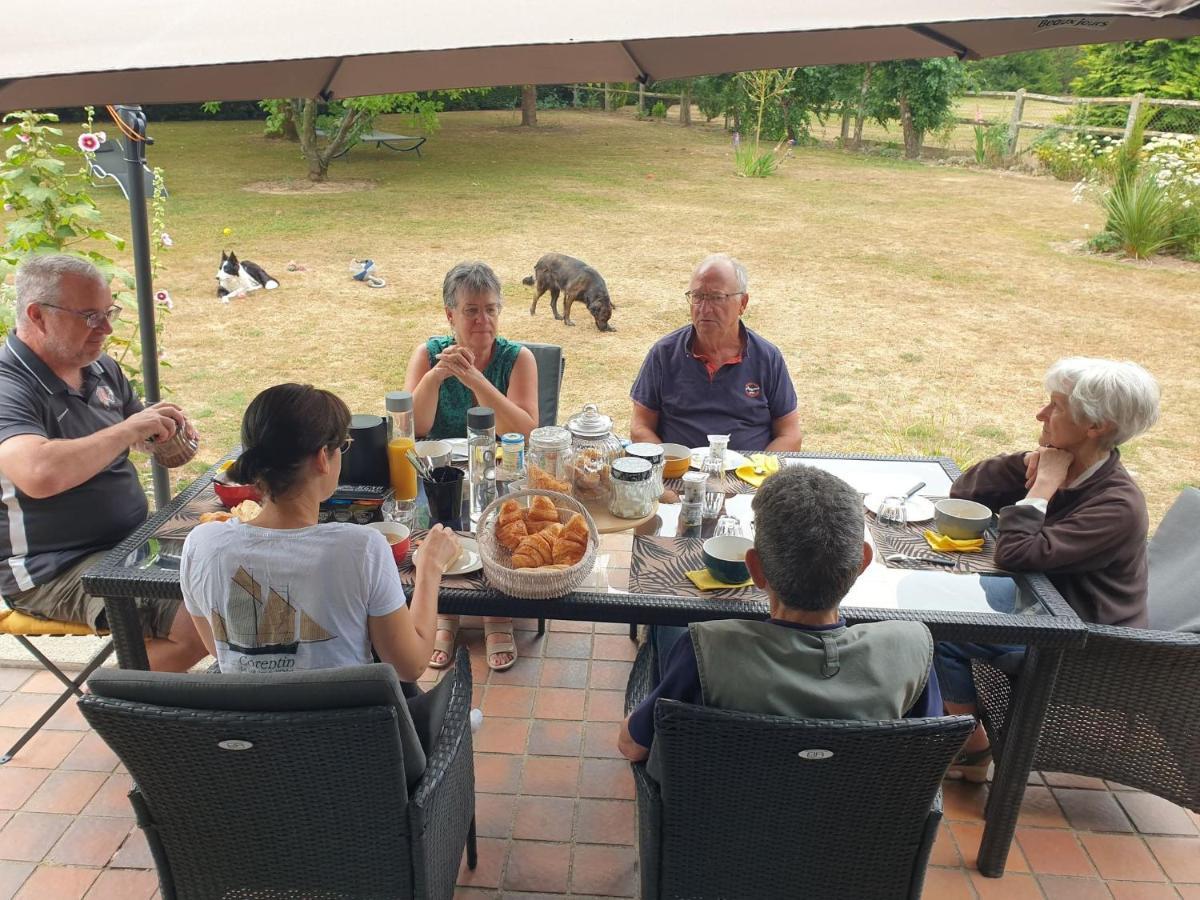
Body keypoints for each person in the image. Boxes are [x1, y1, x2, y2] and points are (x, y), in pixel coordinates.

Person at [619, 465, 942, 767]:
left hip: (717, 819)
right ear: (862, 563)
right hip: (863, 823)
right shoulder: (911, 651)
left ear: (755, 569)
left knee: (666, 627)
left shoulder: (707, 650)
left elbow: (633, 746)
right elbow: (926, 754)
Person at [935, 356, 1161, 781]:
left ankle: (969, 747)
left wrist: (1040, 490)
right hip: (1040, 608)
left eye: (1055, 406)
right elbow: (964, 490)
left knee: (941, 629)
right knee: (930, 603)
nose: (1041, 413)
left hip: (1083, 642)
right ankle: (935, 721)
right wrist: (1031, 462)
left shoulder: (1116, 505)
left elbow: (1017, 554)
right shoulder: (1068, 467)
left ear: (1097, 426)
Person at [0, 255, 206, 672]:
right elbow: (39, 473)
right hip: (53, 567)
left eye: (109, 313)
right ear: (38, 316)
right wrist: (130, 429)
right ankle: (114, 700)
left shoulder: (99, 369)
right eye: (90, 316)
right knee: (205, 612)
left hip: (133, 541)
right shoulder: (9, 385)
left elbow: (152, 444)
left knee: (239, 559)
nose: (107, 329)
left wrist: (169, 436)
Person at [181, 383, 462, 680]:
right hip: (351, 726)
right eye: (342, 446)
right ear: (321, 459)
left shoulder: (202, 544)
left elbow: (220, 650)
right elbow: (412, 665)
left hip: (249, 724)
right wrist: (431, 567)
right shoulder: (360, 548)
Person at [404, 261, 539, 672]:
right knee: (439, 518)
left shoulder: (518, 358)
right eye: (471, 310)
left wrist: (476, 381)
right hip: (441, 473)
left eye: (491, 309)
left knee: (500, 520)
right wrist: (436, 377)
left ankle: (496, 613)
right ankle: (445, 611)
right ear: (450, 315)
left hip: (501, 471)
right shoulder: (428, 354)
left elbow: (526, 430)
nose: (483, 319)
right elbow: (415, 427)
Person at [629, 253, 803, 452]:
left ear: (743, 303)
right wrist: (670, 465)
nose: (704, 308)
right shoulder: (664, 354)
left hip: (749, 475)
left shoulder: (767, 358)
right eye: (697, 297)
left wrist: (758, 471)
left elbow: (790, 435)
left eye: (716, 298)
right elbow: (640, 427)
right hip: (680, 476)